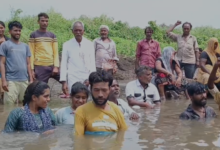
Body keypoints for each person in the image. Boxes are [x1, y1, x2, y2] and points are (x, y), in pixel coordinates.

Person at [74, 70, 127, 136]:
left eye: (104, 90)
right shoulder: (81, 111)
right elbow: (79, 140)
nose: (100, 94)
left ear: (109, 89)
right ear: (90, 89)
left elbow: (123, 135)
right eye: (96, 90)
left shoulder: (116, 110)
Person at [0, 21, 32, 104]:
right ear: (10, 31)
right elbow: (2, 63)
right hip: (11, 80)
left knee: (25, 105)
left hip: (24, 80)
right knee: (9, 105)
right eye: (15, 30)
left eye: (19, 30)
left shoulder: (25, 46)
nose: (18, 32)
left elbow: (28, 64)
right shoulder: (5, 45)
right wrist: (4, 80)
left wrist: (31, 79)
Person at [60, 21, 96, 95]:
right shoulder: (66, 45)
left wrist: (91, 79)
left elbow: (92, 63)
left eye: (80, 30)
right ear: (72, 31)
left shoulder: (89, 44)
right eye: (76, 30)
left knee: (86, 99)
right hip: (73, 77)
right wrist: (64, 82)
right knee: (74, 98)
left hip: (87, 77)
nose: (78, 32)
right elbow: (63, 64)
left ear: (83, 31)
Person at [28, 13, 60, 84]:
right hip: (40, 66)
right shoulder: (33, 35)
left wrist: (56, 67)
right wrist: (32, 69)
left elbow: (55, 52)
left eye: (46, 21)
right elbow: (31, 53)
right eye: (42, 21)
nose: (45, 23)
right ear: (38, 22)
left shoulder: (52, 35)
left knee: (65, 80)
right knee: (41, 88)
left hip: (52, 65)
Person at [0, 21, 10, 101]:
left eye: (1, 28)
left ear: (4, 28)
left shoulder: (9, 40)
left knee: (5, 88)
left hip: (6, 66)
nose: (0, 30)